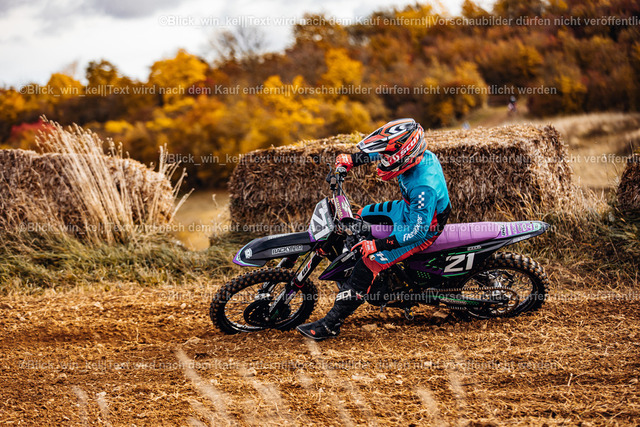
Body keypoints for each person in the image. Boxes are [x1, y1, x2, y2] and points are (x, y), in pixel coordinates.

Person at [297, 118, 451, 341]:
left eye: (389, 158)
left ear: (405, 156)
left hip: (423, 230)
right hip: (407, 209)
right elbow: (385, 152)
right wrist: (352, 159)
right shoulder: (415, 155)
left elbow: (416, 232)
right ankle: (355, 264)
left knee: (368, 263)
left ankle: (331, 325)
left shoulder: (423, 187)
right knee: (360, 216)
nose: (384, 161)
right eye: (386, 157)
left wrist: (377, 245)